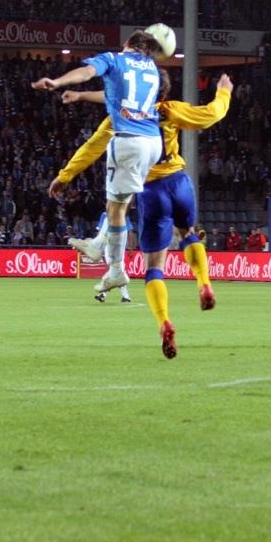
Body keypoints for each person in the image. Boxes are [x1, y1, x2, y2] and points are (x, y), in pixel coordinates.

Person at [52, 73, 233, 359]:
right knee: (187, 233)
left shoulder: (120, 117)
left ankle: (164, 322)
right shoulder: (170, 109)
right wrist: (223, 92)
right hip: (179, 182)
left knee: (154, 267)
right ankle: (204, 283)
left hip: (151, 191)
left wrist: (64, 176)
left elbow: (92, 148)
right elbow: (212, 114)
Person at [33, 30, 165, 295]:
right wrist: (81, 96)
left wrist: (57, 82)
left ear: (127, 43)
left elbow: (85, 73)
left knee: (114, 210)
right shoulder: (152, 68)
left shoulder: (114, 59)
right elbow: (115, 94)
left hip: (127, 140)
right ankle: (98, 244)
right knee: (120, 204)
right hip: (153, 142)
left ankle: (115, 270)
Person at [84, 213, 133, 304]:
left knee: (116, 271)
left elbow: (129, 231)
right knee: (114, 272)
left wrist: (131, 248)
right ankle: (112, 295)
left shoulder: (123, 214)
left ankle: (121, 296)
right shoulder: (104, 215)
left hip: (118, 246)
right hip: (108, 246)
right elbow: (100, 232)